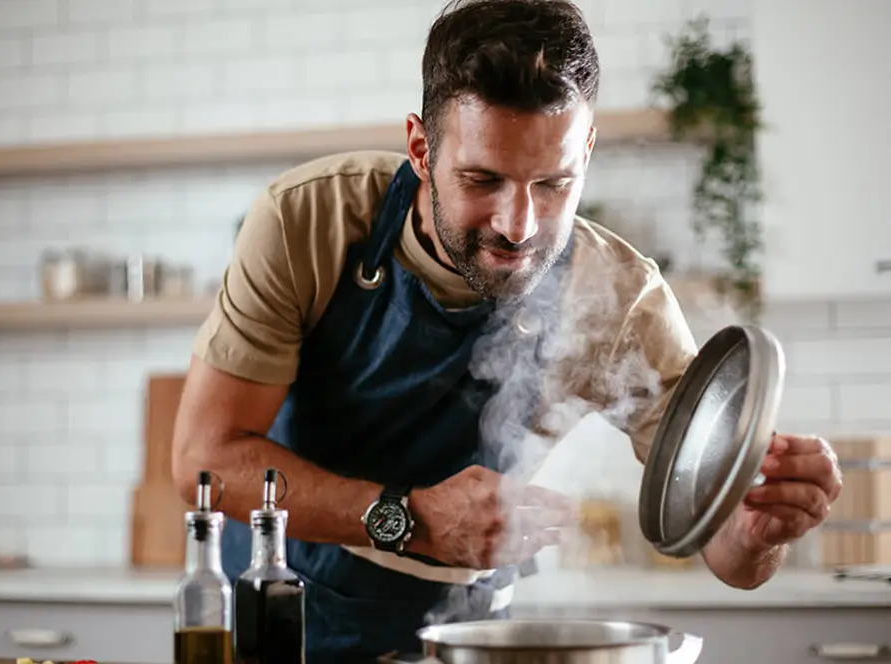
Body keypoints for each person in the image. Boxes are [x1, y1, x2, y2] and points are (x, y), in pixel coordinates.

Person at [172, 0, 843, 661]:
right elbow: (204, 459)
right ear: (419, 148)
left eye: (553, 183)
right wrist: (413, 518)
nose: (518, 225)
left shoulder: (620, 300)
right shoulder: (308, 220)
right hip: (281, 624)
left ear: (586, 150)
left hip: (470, 641)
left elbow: (728, 553)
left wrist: (758, 533)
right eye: (482, 179)